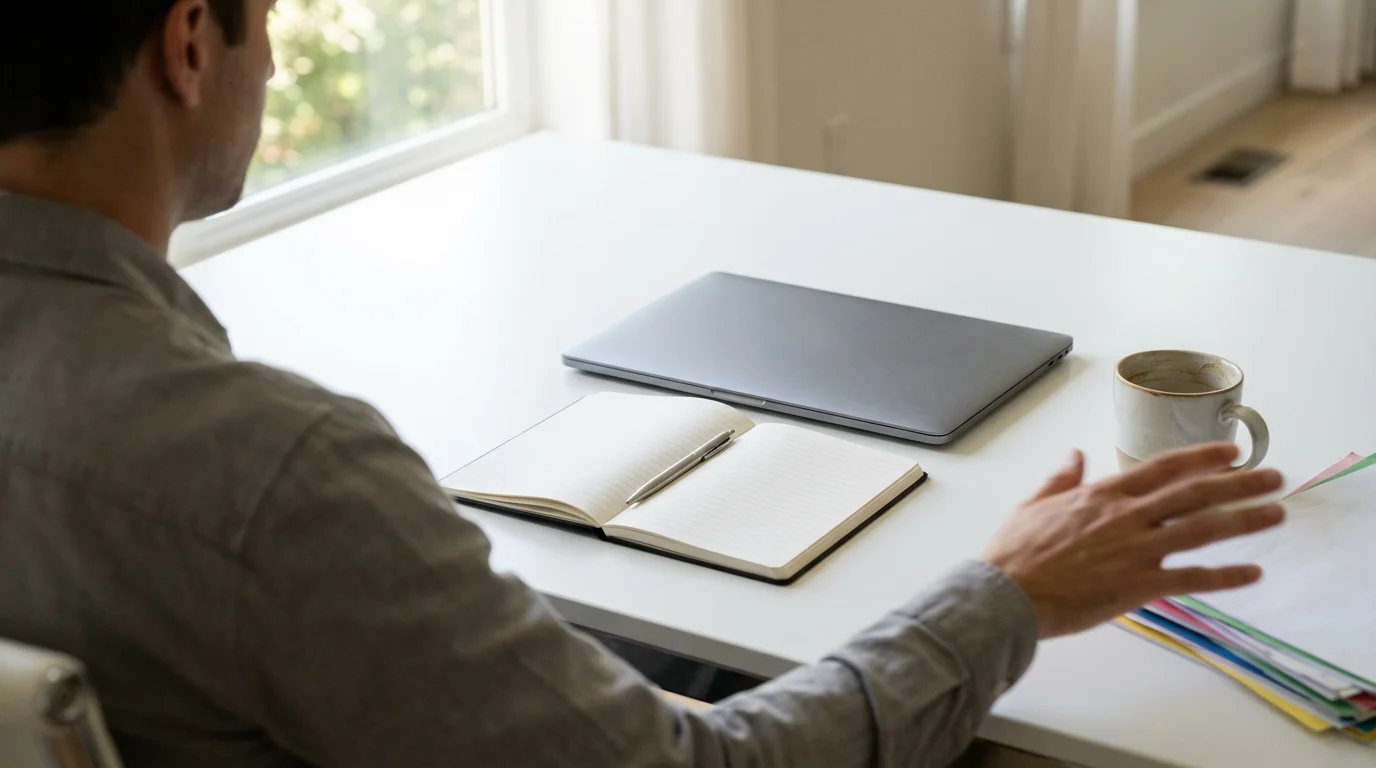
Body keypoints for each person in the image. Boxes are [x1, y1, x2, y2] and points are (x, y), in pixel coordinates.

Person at [0, 2, 1287, 766]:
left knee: (649, 642)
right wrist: (1009, 592)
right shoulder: (266, 473)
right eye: (267, 21)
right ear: (186, 45)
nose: (273, 65)